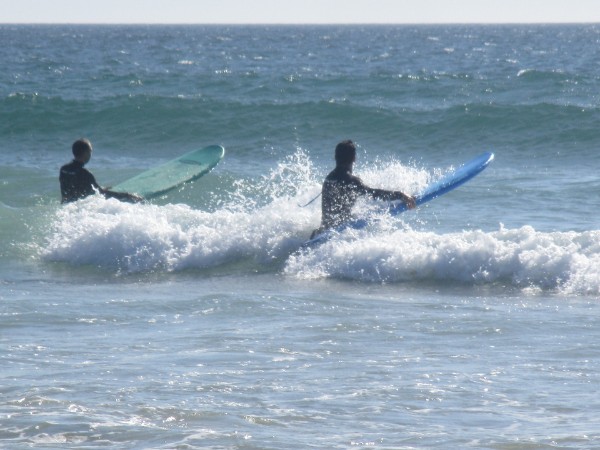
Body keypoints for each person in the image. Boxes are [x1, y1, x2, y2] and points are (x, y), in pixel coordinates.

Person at [311, 140, 416, 238]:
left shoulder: (329, 178)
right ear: (354, 158)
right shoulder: (350, 180)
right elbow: (373, 194)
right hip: (337, 234)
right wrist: (400, 195)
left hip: (323, 231)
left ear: (335, 157)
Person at [59, 138, 143, 204]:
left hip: (67, 207)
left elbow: (75, 188)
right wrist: (127, 196)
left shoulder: (63, 169)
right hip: (81, 208)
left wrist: (99, 188)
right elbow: (102, 194)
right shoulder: (86, 174)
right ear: (85, 153)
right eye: (90, 151)